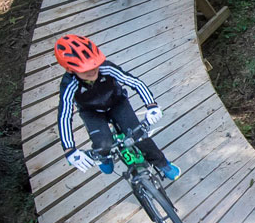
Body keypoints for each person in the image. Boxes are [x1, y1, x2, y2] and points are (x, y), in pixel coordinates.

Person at [53, 34, 181, 182]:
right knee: (103, 144)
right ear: (70, 70)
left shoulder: (106, 67)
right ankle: (104, 157)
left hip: (116, 102)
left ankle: (162, 163)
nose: (92, 72)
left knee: (138, 134)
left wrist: (151, 105)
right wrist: (70, 150)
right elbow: (64, 115)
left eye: (94, 66)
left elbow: (134, 82)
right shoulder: (69, 84)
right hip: (92, 112)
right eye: (84, 70)